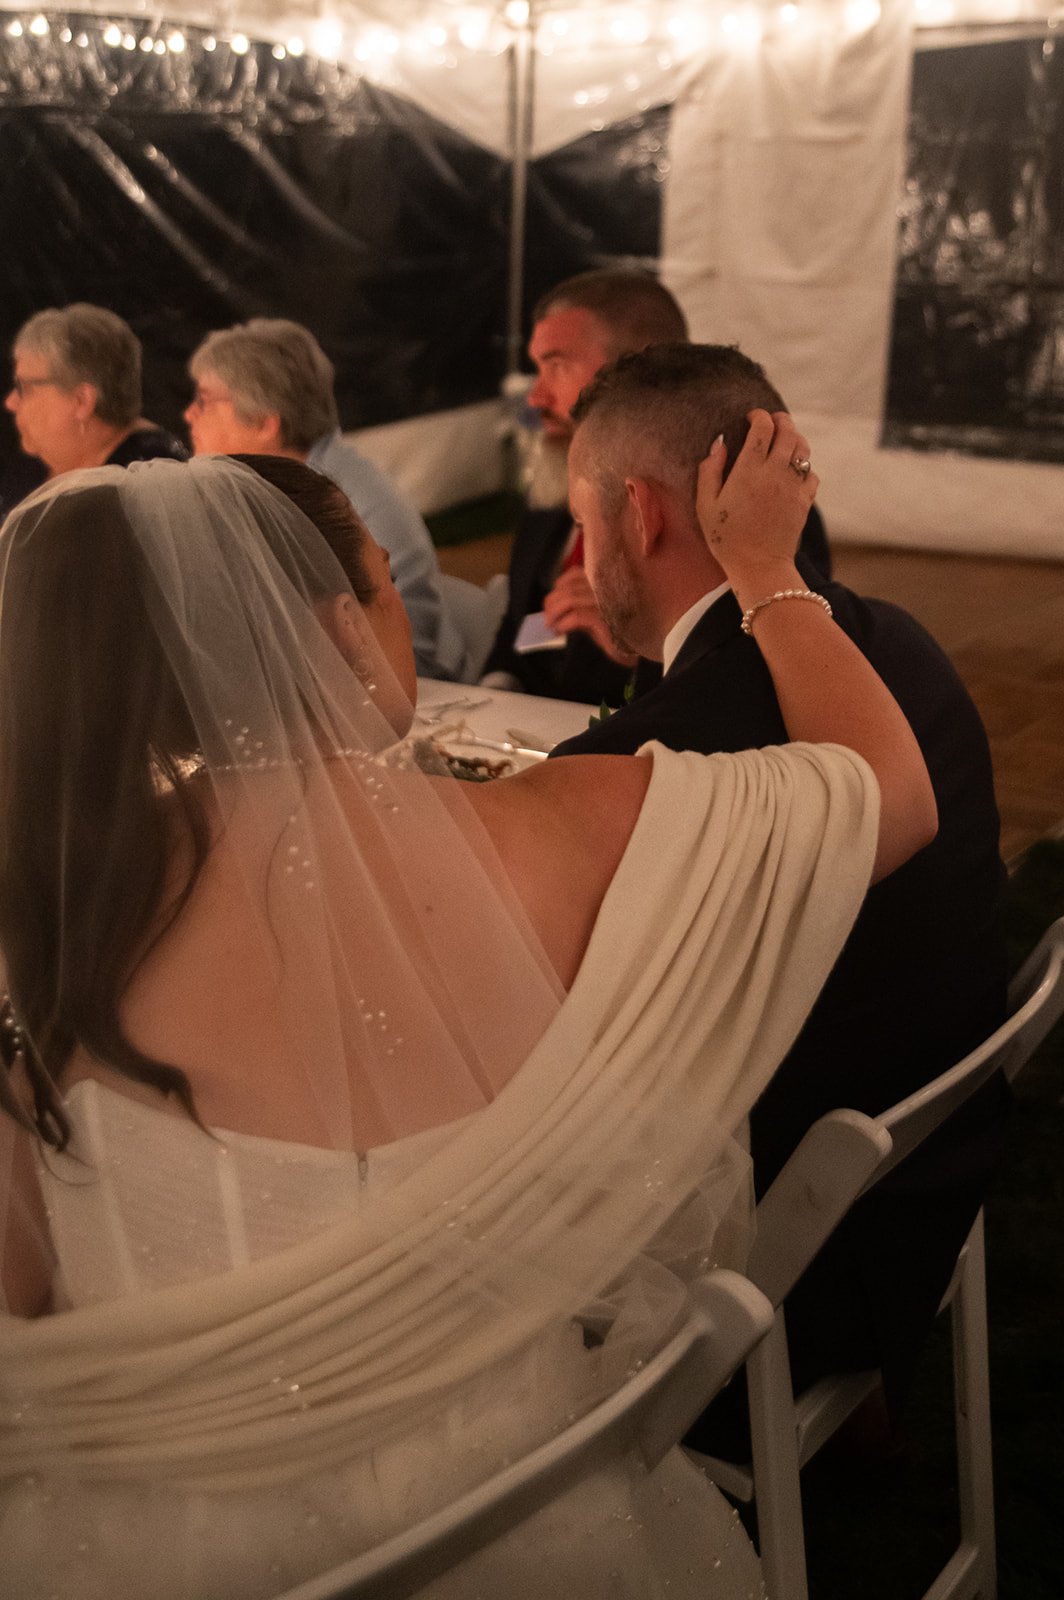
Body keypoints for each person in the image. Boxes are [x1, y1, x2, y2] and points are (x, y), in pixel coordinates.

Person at [0, 425, 936, 1599]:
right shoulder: (565, 825)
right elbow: (891, 795)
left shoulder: (55, 928)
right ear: (343, 628)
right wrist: (767, 571)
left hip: (169, 1557)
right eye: (388, 591)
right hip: (535, 1519)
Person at [550, 343, 1009, 1441]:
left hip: (785, 1259)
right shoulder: (896, 637)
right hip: (922, 1181)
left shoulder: (646, 759)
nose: (574, 550)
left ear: (639, 514)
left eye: (579, 519)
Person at [482, 268, 831, 704]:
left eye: (556, 365)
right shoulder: (551, 492)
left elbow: (773, 674)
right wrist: (494, 693)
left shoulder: (756, 507)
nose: (536, 397)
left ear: (633, 368)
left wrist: (640, 648)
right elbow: (520, 628)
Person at [185, 317, 468, 681]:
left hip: (416, 690)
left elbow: (388, 656)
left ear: (264, 422)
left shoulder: (336, 502)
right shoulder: (292, 482)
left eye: (204, 401)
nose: (189, 414)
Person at [1, 304, 187, 517]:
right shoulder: (37, 464)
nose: (10, 402)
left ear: (82, 401)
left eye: (24, 388)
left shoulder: (146, 482)